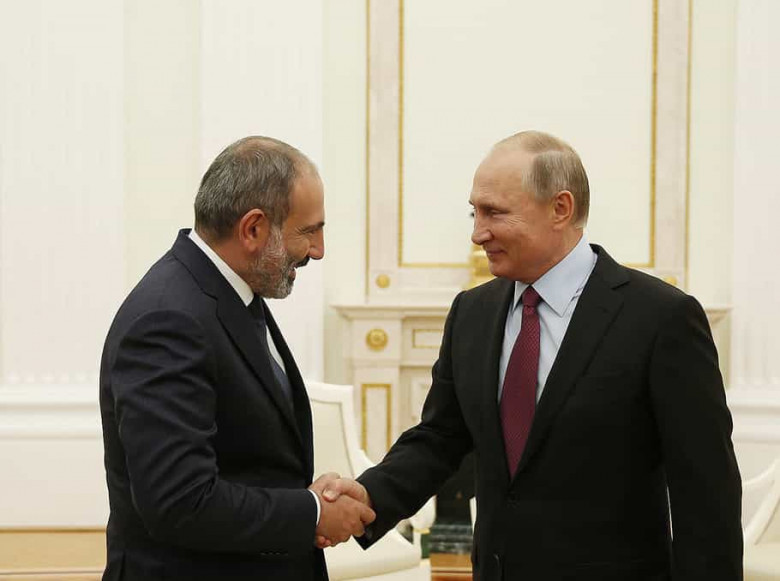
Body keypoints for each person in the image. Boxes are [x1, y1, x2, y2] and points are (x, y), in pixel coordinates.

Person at [337, 130, 743, 580]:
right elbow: (440, 436)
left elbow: (707, 491)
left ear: (560, 208)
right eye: (474, 212)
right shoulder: (472, 312)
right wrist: (368, 496)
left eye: (494, 212)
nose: (477, 233)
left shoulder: (661, 318)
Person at [99, 136, 373, 581]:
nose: (318, 250)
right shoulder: (168, 319)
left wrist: (305, 498)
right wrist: (311, 512)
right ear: (253, 229)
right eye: (309, 231)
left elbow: (249, 459)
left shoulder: (228, 292)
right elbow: (180, 502)